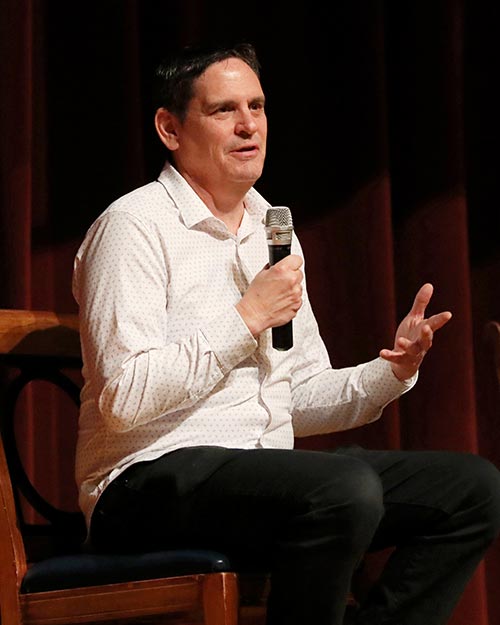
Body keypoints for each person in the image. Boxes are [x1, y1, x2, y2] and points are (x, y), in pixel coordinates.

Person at [72, 42, 500, 625]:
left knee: (472, 488)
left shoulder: (271, 230)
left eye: (258, 106)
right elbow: (124, 400)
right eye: (225, 110)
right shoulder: (132, 228)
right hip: (146, 483)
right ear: (170, 129)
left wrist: (392, 371)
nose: (249, 124)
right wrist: (245, 319)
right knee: (343, 489)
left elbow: (295, 397)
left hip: (257, 475)